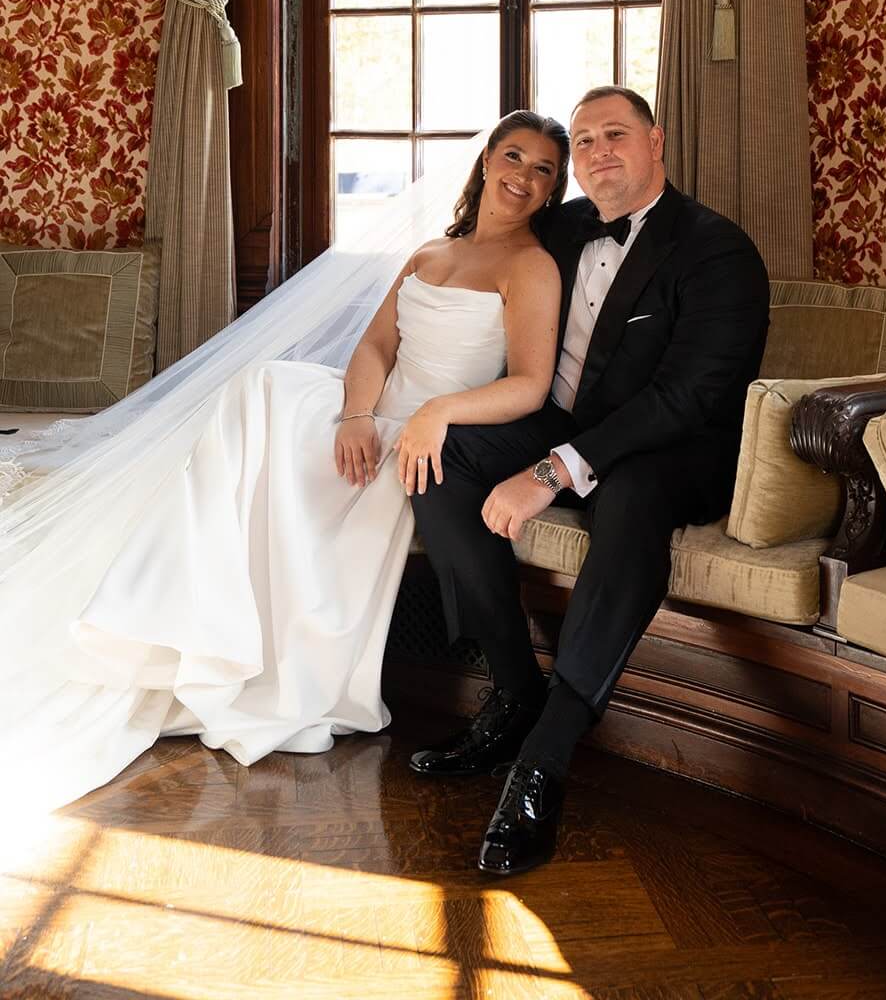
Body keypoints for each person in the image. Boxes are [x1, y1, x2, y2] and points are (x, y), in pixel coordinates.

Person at [0, 110, 568, 814]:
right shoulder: (430, 253)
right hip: (372, 412)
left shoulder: (531, 266)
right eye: (513, 156)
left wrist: (431, 415)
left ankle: (236, 651)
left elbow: (529, 385)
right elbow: (373, 349)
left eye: (543, 169)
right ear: (486, 161)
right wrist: (356, 416)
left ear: (552, 189)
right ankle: (193, 616)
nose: (523, 176)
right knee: (263, 384)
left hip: (429, 431)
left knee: (278, 424)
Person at [411, 86, 770, 877]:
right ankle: (512, 693)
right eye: (583, 141)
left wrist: (549, 472)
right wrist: (429, 399)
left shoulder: (718, 251)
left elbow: (689, 398)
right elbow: (476, 250)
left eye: (616, 135)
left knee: (633, 499)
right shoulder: (563, 227)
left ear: (656, 142)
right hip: (562, 425)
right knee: (442, 459)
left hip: (669, 448)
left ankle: (543, 762)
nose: (598, 153)